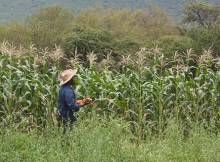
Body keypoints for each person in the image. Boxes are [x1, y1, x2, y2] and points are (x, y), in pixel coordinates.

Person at [58, 69, 86, 133]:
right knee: (69, 134)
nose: (74, 79)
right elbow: (72, 106)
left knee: (65, 133)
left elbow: (66, 102)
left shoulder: (62, 89)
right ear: (69, 80)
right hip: (67, 116)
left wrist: (76, 102)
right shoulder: (68, 91)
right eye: (73, 78)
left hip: (63, 114)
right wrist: (83, 104)